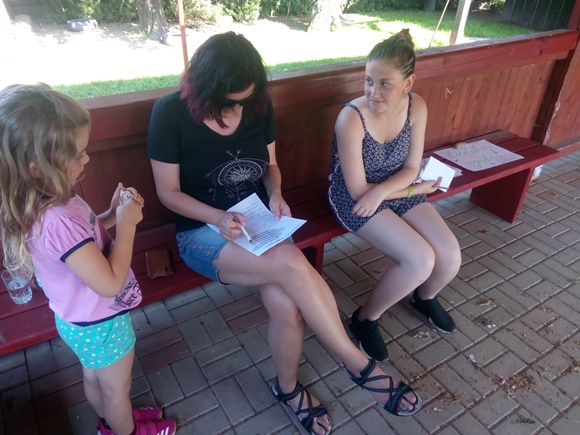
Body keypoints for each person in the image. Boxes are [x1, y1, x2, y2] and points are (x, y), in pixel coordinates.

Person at [147, 31, 423, 433]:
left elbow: (271, 167)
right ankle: (359, 365)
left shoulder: (257, 104)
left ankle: (288, 389)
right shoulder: (170, 113)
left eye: (244, 99)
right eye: (230, 101)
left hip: (260, 221)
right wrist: (218, 217)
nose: (239, 108)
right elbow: (168, 193)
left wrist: (276, 194)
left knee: (287, 305)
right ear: (205, 88)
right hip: (204, 231)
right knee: (292, 264)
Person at [0, 84, 176, 435]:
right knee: (116, 389)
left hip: (77, 320)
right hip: (101, 322)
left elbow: (83, 241)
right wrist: (127, 225)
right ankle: (125, 428)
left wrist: (110, 214)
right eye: (79, 154)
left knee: (95, 377)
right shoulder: (58, 219)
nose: (87, 159)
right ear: (36, 168)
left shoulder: (44, 202)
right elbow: (109, 282)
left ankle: (111, 420)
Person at [328, 29, 462, 362]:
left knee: (449, 255)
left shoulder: (417, 107)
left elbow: (412, 166)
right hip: (354, 197)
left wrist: (401, 190)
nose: (373, 92)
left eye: (385, 83)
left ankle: (423, 297)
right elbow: (359, 190)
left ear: (408, 83)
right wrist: (406, 190)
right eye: (368, 81)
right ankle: (364, 318)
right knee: (420, 259)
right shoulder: (351, 118)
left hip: (397, 188)